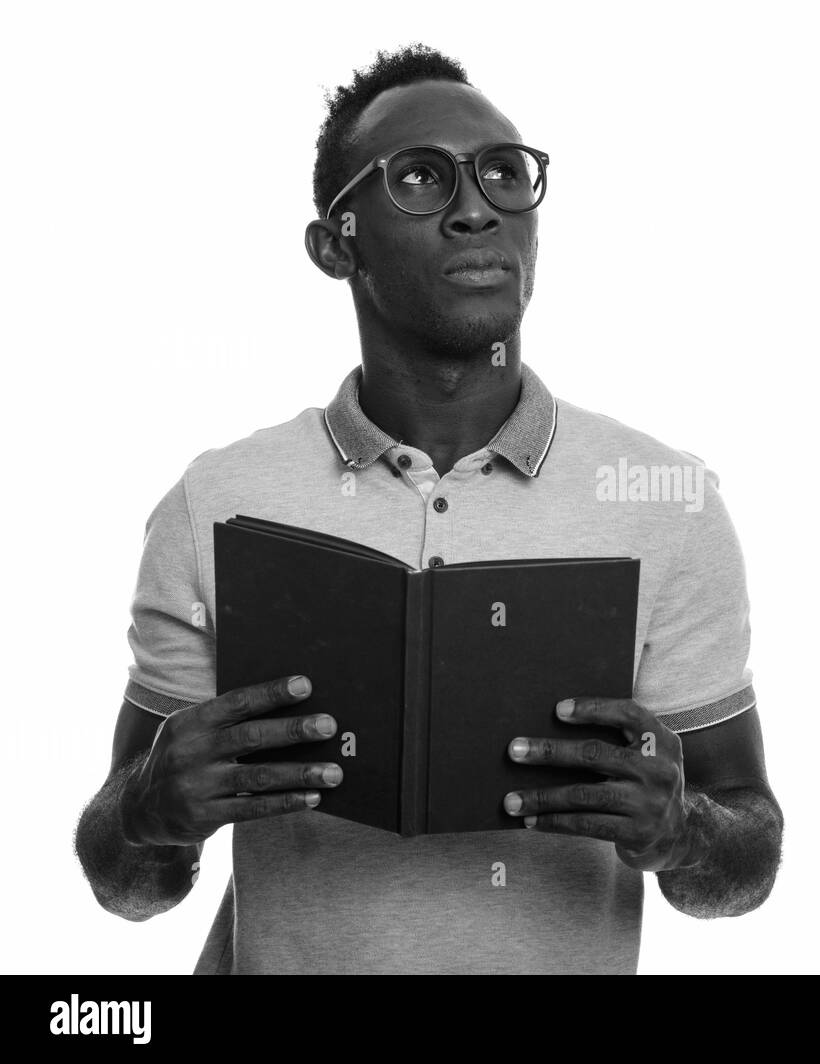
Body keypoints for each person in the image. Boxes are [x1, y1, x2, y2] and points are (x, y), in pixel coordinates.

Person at [74, 44, 782, 974]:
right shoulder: (217, 504)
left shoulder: (664, 503)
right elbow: (128, 883)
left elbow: (747, 859)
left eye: (503, 172)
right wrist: (149, 812)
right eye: (419, 178)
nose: (478, 206)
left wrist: (682, 830)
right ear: (337, 244)